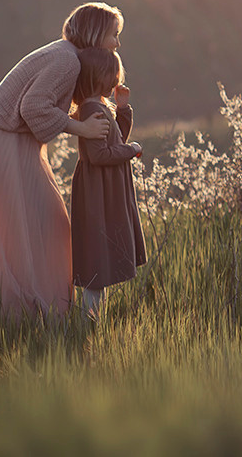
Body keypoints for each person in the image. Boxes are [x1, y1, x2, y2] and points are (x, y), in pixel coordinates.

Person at [0, 1, 123, 327]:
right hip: (1, 139)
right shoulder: (66, 60)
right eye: (114, 35)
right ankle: (22, 313)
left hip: (6, 138)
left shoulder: (66, 56)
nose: (116, 44)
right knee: (39, 225)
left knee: (38, 224)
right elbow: (33, 107)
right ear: (97, 34)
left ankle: (34, 312)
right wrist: (82, 128)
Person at [69, 47, 146, 322]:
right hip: (97, 191)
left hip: (106, 188)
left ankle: (92, 320)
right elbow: (100, 155)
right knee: (95, 257)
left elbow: (115, 141)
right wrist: (132, 150)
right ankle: (87, 321)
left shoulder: (100, 106)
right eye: (113, 72)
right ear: (100, 76)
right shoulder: (91, 109)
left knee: (102, 255)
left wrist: (122, 110)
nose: (117, 77)